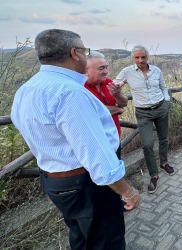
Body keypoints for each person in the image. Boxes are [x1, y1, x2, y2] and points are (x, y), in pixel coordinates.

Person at [10, 29, 140, 250]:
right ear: (75, 53)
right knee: (106, 241)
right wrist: (128, 192)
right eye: (84, 50)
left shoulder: (25, 90)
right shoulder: (69, 93)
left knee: (80, 235)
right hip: (87, 184)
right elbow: (97, 157)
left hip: (54, 181)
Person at [115, 45, 174, 194]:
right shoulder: (127, 72)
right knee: (147, 144)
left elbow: (163, 87)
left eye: (143, 57)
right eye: (137, 57)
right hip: (143, 113)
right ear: (133, 58)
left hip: (161, 108)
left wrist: (166, 103)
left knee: (163, 138)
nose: (140, 60)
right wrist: (117, 89)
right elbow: (115, 85)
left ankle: (164, 162)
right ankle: (154, 174)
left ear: (147, 57)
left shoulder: (156, 70)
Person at [85, 51, 128, 159]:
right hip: (97, 144)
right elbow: (90, 112)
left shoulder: (107, 82)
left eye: (106, 67)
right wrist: (117, 109)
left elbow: (124, 103)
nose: (106, 72)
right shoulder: (80, 88)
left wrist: (117, 94)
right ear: (86, 71)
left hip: (114, 138)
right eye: (101, 68)